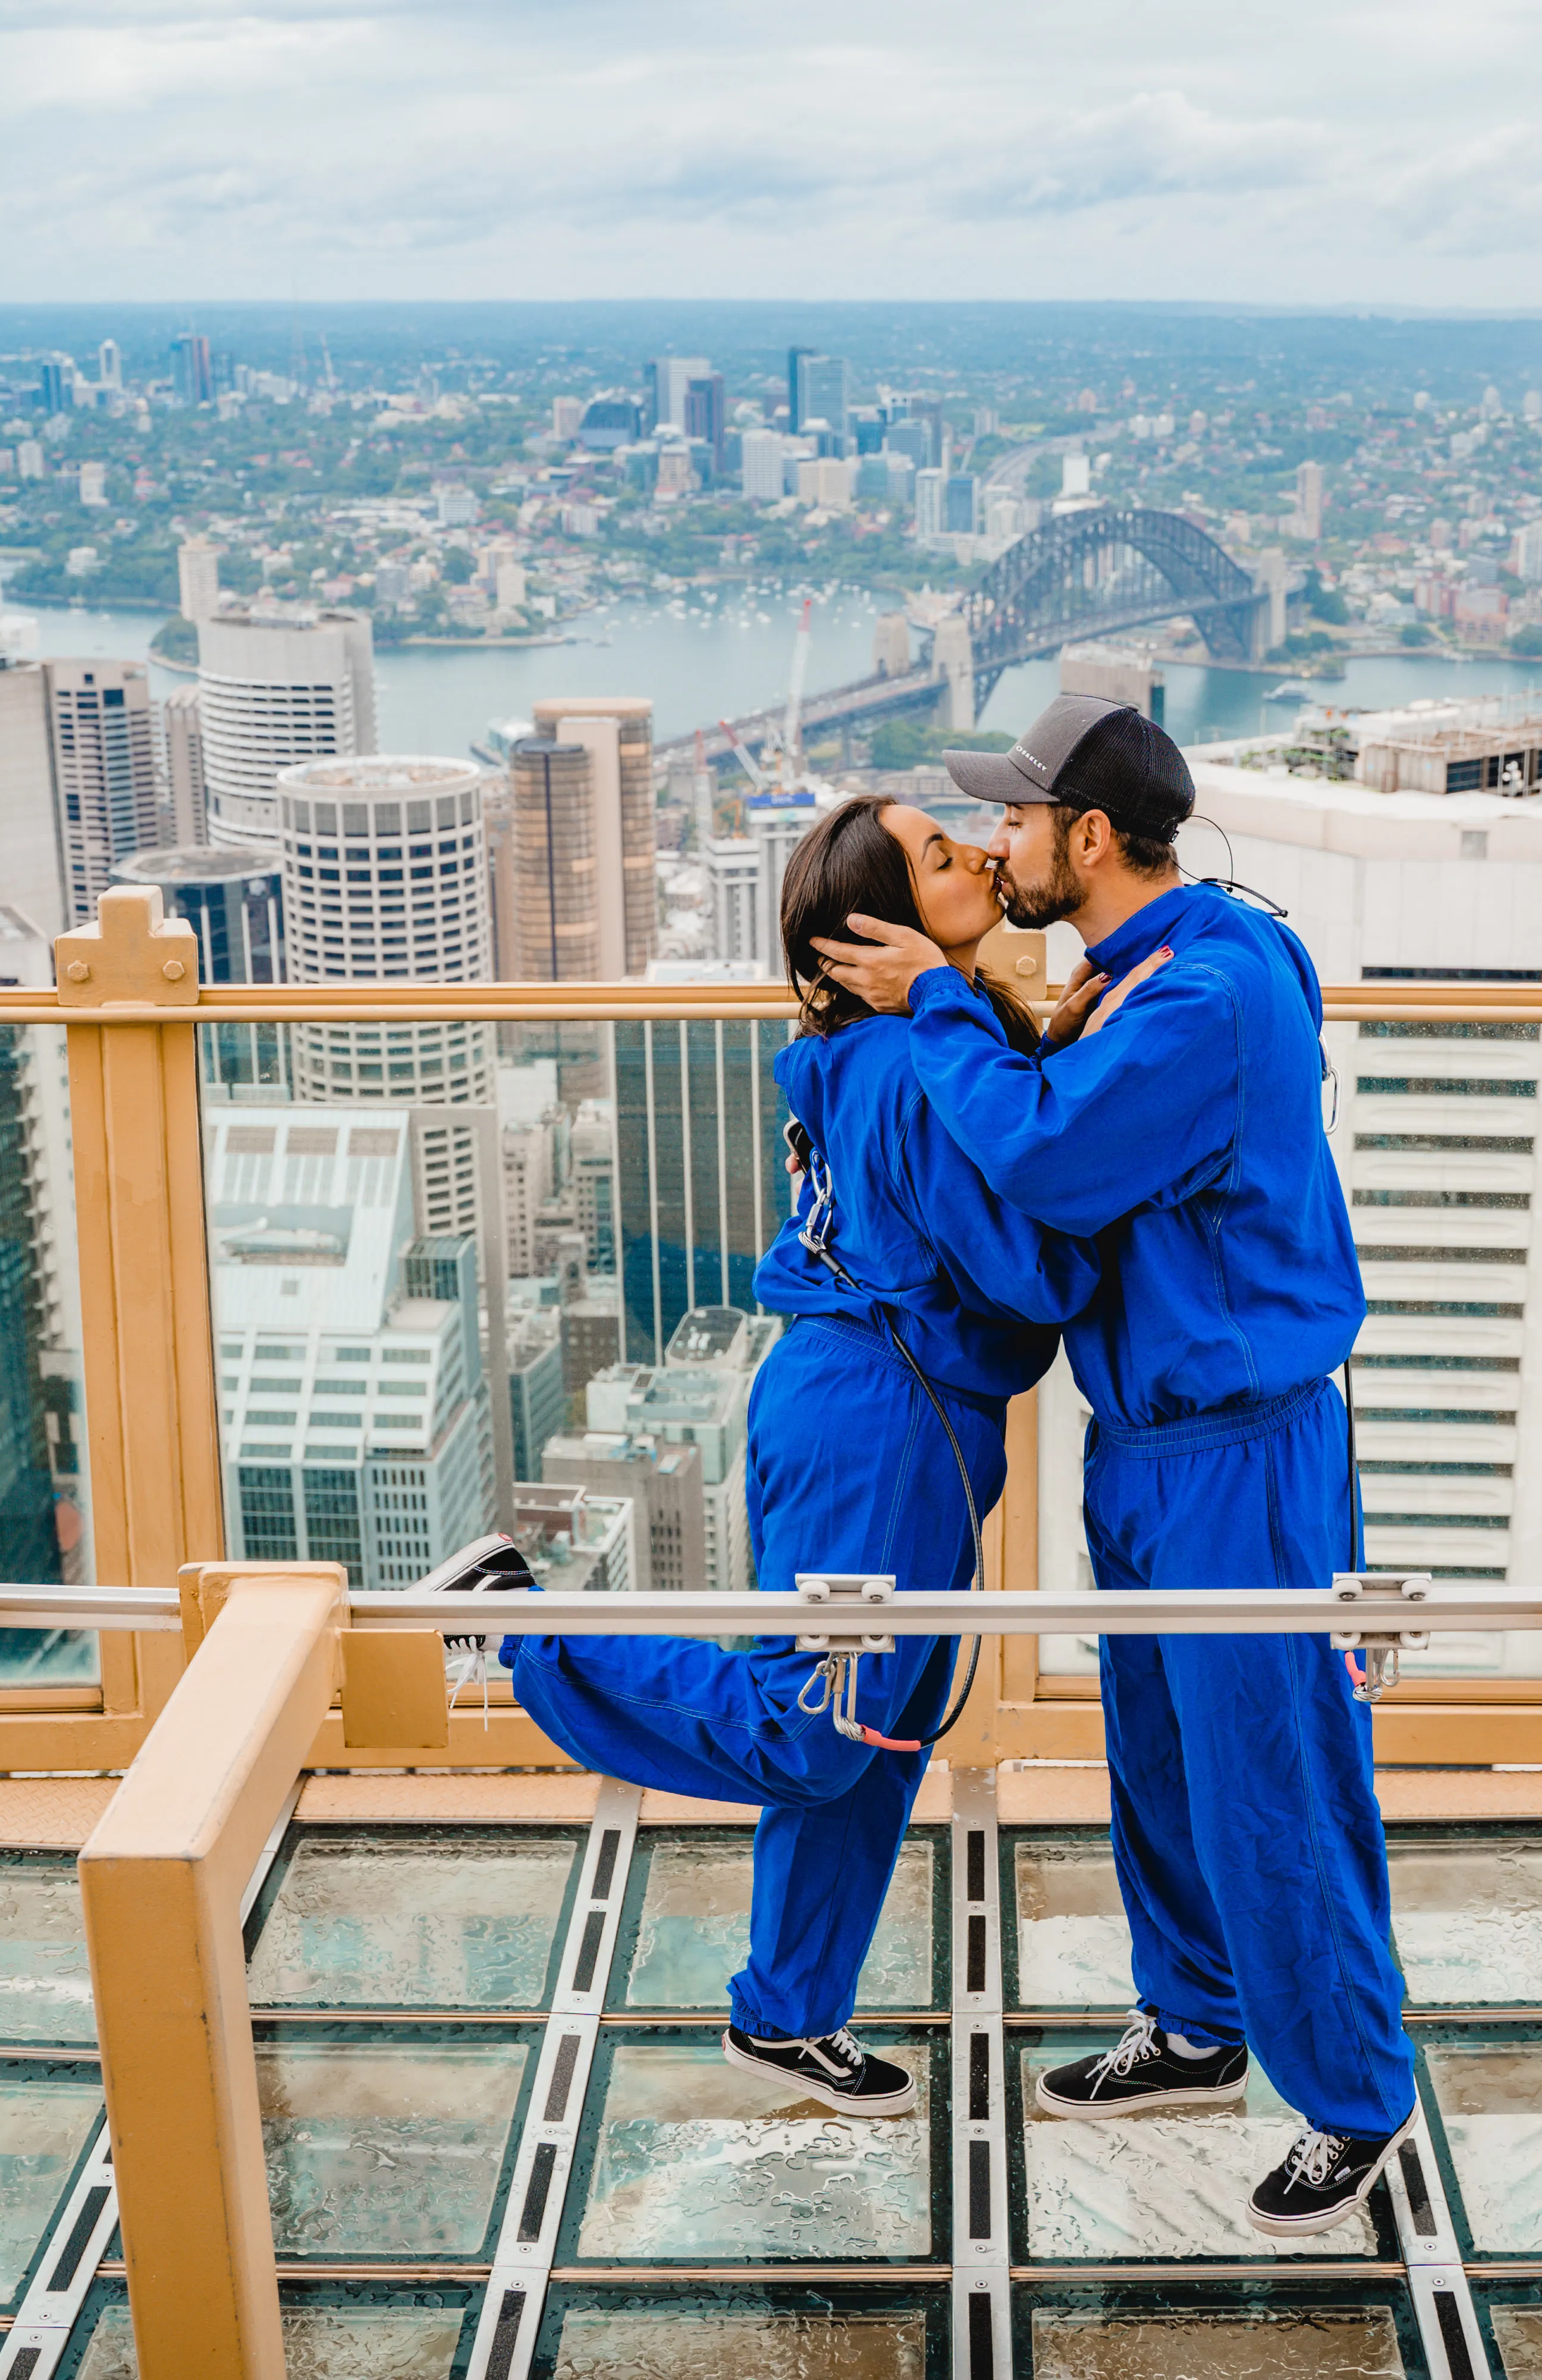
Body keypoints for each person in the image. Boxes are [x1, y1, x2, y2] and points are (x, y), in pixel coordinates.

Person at [811, 693, 1415, 2237]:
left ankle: (1350, 2097)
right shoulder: (1167, 964)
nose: (998, 842)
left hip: (1237, 1454)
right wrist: (1041, 1002)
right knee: (1159, 1752)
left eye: (1011, 818)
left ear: (1086, 832)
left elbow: (1051, 1157)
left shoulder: (1196, 996)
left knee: (1272, 1767)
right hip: (1151, 1439)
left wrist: (945, 993)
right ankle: (1200, 2021)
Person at [488, 795, 1097, 2116]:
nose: (983, 857)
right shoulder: (902, 1067)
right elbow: (1029, 1273)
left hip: (885, 1412)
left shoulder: (892, 1047)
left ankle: (788, 2011)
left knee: (874, 1733)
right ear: (877, 925)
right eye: (942, 857)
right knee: (814, 1726)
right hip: (874, 1423)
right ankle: (522, 1629)